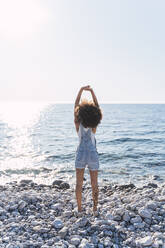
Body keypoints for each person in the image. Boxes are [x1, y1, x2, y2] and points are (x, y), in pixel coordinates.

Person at [74, 86, 102, 214]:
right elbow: (97, 107)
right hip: (92, 154)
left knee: (79, 183)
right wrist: (92, 92)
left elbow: (75, 105)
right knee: (94, 184)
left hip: (80, 154)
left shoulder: (78, 124)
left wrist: (81, 90)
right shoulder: (94, 125)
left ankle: (80, 210)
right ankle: (95, 209)